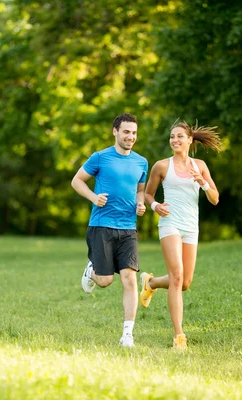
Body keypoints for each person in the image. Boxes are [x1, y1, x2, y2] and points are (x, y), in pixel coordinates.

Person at [140, 120, 222, 349]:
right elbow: (148, 194)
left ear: (189, 140)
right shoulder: (162, 166)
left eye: (179, 136)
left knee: (185, 282)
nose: (174, 140)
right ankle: (179, 336)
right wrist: (156, 206)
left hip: (191, 227)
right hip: (170, 224)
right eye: (172, 136)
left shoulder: (201, 166)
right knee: (176, 276)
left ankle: (151, 282)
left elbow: (215, 199)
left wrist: (202, 182)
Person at [71, 113, 148, 348]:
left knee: (129, 279)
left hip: (128, 229)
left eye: (134, 133)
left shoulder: (141, 162)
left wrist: (141, 203)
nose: (130, 137)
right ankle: (91, 272)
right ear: (115, 131)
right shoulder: (100, 158)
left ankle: (127, 335)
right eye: (126, 132)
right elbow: (77, 181)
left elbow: (140, 191)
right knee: (104, 281)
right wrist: (94, 197)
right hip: (101, 226)